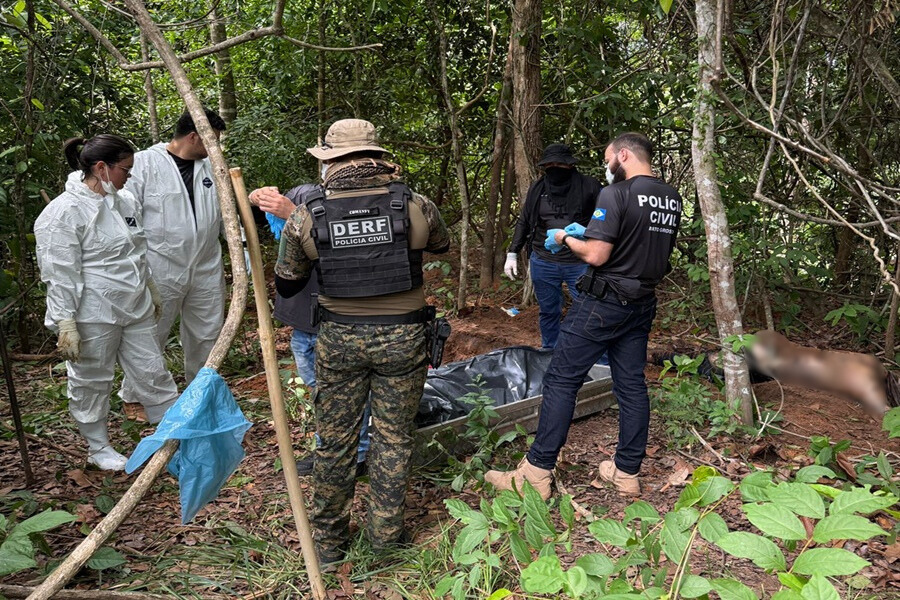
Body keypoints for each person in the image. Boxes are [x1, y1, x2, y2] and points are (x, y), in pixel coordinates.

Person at [274, 119, 450, 566]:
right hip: (404, 338)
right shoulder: (414, 204)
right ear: (377, 156)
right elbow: (442, 245)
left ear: (330, 161)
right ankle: (385, 541)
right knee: (393, 439)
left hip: (341, 340)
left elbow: (289, 284)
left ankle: (329, 545)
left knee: (335, 442)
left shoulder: (306, 214)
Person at [484, 132, 681, 498]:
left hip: (603, 303)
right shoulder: (671, 197)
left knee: (561, 379)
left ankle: (537, 472)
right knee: (632, 385)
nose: (608, 167)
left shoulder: (615, 193)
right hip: (641, 303)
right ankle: (626, 473)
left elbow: (596, 256)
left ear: (623, 155)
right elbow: (635, 240)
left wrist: (564, 238)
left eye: (609, 159)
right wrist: (589, 231)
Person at [34, 135, 179, 470]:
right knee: (92, 379)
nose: (129, 175)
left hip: (135, 304)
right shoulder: (62, 213)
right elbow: (59, 272)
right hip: (94, 311)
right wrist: (65, 321)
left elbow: (136, 250)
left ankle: (174, 434)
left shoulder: (123, 201)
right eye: (125, 169)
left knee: (152, 370)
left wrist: (151, 288)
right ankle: (98, 447)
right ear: (101, 168)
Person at [248, 183, 371, 477]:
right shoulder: (306, 193)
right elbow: (248, 219)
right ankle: (337, 449)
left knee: (343, 391)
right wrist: (256, 199)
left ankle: (354, 455)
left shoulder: (364, 203)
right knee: (320, 390)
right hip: (306, 316)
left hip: (340, 318)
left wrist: (295, 216)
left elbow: (350, 252)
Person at [120, 109, 228, 404]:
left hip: (205, 262)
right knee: (151, 331)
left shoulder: (212, 166)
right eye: (212, 141)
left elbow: (224, 214)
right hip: (159, 265)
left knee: (207, 331)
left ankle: (201, 394)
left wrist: (239, 246)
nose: (215, 149)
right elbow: (128, 216)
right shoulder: (143, 164)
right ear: (194, 137)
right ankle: (138, 398)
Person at [505, 143, 603, 349]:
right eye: (550, 164)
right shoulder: (538, 187)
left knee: (589, 310)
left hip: (579, 260)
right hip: (543, 259)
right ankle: (549, 350)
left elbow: (606, 220)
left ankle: (593, 356)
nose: (555, 168)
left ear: (570, 165)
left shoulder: (590, 186)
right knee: (549, 310)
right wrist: (512, 252)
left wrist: (586, 233)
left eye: (560, 163)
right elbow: (524, 220)